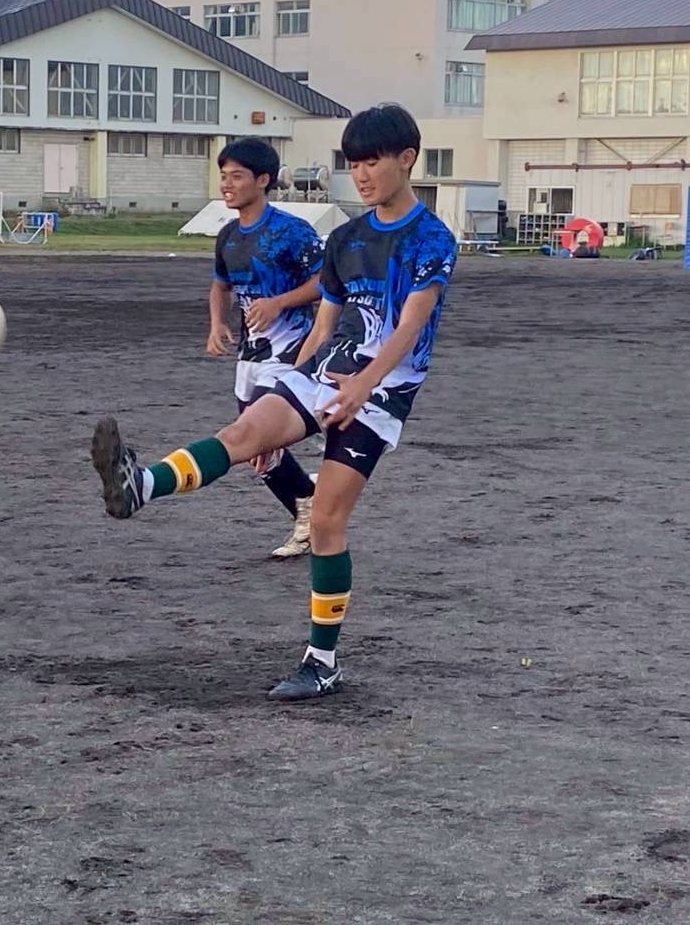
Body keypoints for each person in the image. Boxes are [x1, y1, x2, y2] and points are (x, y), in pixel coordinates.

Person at [91, 105, 458, 700]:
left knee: (328, 522)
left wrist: (364, 386)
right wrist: (287, 388)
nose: (361, 175)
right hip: (324, 371)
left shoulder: (431, 238)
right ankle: (141, 486)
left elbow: (412, 322)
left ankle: (322, 662)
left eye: (372, 162)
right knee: (243, 434)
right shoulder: (346, 238)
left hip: (383, 391)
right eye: (353, 164)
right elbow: (326, 322)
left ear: (407, 159)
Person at [208, 138, 325, 558]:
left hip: (291, 350)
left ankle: (314, 513)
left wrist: (279, 303)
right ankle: (310, 512)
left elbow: (327, 283)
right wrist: (216, 324)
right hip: (250, 355)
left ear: (263, 180)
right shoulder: (227, 236)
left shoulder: (292, 232)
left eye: (236, 176)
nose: (227, 184)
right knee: (259, 448)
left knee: (257, 438)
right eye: (223, 176)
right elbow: (220, 286)